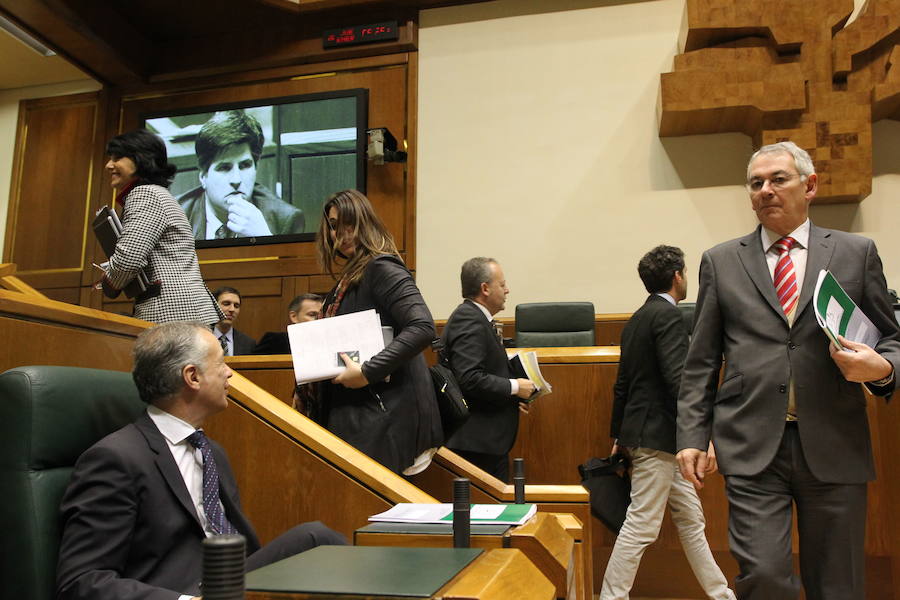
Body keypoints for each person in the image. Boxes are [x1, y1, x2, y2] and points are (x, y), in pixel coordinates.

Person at [676, 141, 900, 600]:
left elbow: (893, 339)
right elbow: (700, 359)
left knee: (838, 585)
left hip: (835, 441)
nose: (765, 190)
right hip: (751, 442)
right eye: (756, 183)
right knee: (764, 579)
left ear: (810, 185)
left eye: (778, 179)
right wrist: (692, 436)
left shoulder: (856, 253)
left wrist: (881, 368)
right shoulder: (721, 261)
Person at [56, 321, 346, 600]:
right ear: (192, 376)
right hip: (180, 592)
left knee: (316, 545)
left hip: (231, 581)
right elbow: (82, 581)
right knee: (316, 537)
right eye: (221, 363)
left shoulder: (211, 451)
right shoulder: (116, 458)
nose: (229, 374)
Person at [602, 245, 735, 600]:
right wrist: (703, 432)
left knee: (692, 522)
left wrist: (618, 433)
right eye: (686, 273)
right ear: (678, 276)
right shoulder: (670, 317)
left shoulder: (636, 320)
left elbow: (622, 384)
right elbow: (680, 381)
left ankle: (722, 595)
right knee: (641, 526)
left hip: (654, 437)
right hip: (660, 438)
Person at [315, 189, 442, 475]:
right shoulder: (353, 274)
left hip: (386, 417)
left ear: (366, 221)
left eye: (349, 223)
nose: (342, 233)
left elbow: (423, 327)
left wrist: (367, 372)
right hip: (370, 416)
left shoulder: (380, 266)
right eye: (334, 225)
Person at [102, 129, 222, 325]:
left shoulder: (145, 194)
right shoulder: (159, 194)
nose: (109, 165)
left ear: (141, 159)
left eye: (117, 157)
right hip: (184, 312)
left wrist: (109, 283)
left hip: (171, 313)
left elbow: (128, 258)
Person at [441, 257, 535, 482]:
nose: (507, 290)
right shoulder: (469, 319)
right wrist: (514, 386)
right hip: (476, 444)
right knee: (484, 513)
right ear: (485, 288)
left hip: (485, 442)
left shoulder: (477, 318)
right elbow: (470, 378)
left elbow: (485, 372)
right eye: (502, 285)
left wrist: (512, 396)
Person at [177, 110, 304, 239]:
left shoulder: (285, 220)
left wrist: (264, 239)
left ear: (256, 168)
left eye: (245, 166)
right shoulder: (173, 218)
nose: (236, 180)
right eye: (224, 168)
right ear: (203, 176)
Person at [252, 293, 323, 355]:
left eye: (321, 315)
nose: (318, 319)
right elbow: (251, 366)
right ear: (294, 317)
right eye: (312, 314)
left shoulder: (326, 343)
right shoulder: (275, 341)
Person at [213, 286, 256, 355]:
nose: (232, 309)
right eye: (226, 304)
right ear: (214, 306)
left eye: (236, 306)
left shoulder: (248, 343)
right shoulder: (200, 339)